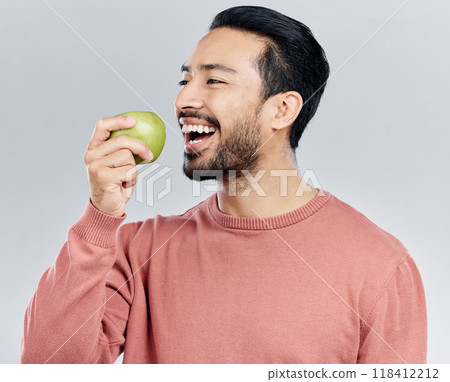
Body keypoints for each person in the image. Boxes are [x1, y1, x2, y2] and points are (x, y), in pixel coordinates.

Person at [21, 6, 427, 364]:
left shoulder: (381, 267)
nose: (184, 101)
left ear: (282, 109)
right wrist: (100, 216)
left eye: (214, 81)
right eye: (185, 81)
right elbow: (44, 368)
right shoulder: (137, 251)